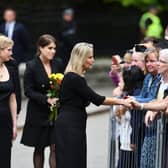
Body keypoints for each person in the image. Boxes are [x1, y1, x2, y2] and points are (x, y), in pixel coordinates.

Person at [54, 42, 132, 168]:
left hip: (74, 125)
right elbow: (97, 99)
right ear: (81, 58)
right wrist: (122, 101)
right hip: (69, 126)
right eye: (90, 57)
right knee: (70, 162)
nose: (93, 60)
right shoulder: (73, 78)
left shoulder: (75, 77)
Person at [21, 34, 63, 168]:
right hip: (38, 113)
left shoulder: (58, 63)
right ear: (40, 48)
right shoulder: (32, 66)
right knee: (39, 149)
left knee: (55, 148)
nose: (53, 51)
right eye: (49, 48)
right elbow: (28, 90)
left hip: (55, 113)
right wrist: (46, 99)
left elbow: (64, 83)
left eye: (54, 48)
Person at [0, 35, 17, 168]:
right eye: (8, 50)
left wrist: (14, 124)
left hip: (5, 120)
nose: (11, 53)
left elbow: (12, 99)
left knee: (5, 157)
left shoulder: (10, 69)